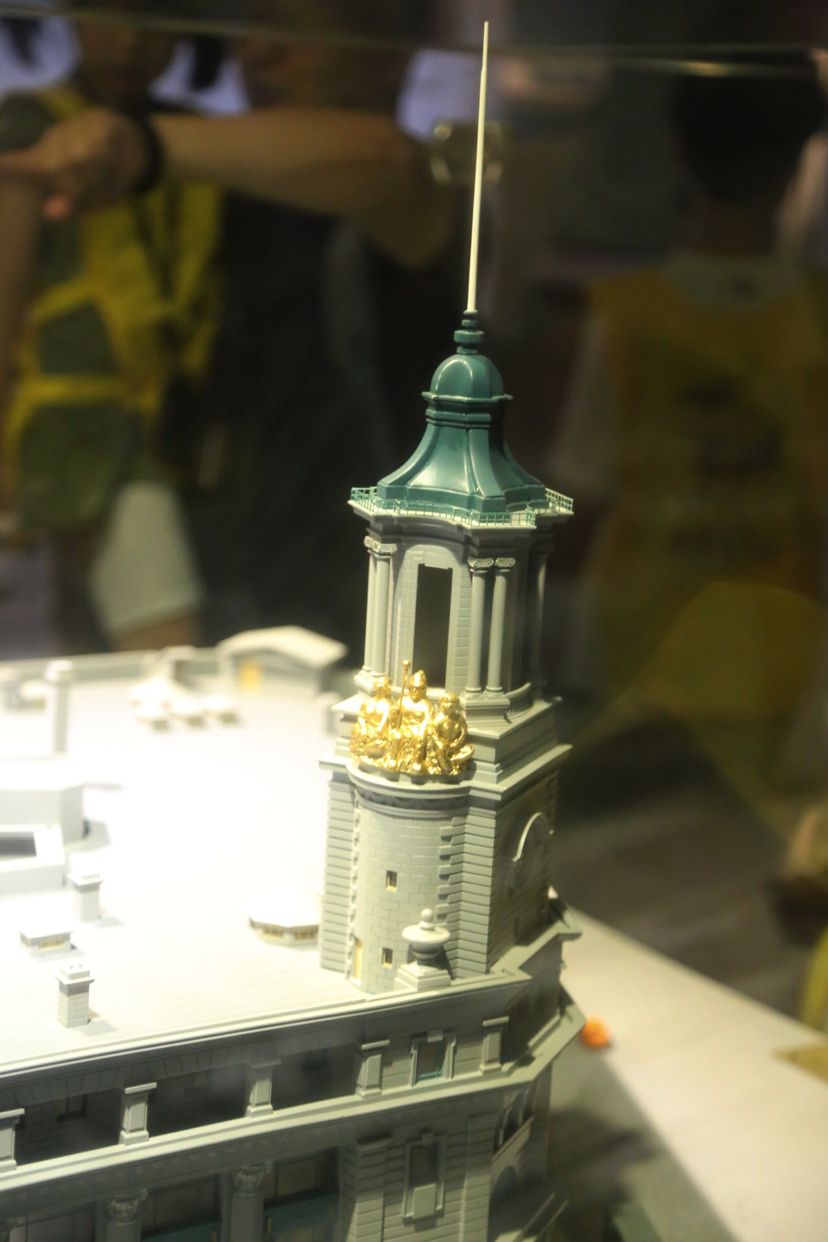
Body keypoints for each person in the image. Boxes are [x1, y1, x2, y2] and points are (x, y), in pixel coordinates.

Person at [0, 13, 460, 653]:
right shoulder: (227, 186)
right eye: (250, 25)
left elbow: (390, 163)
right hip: (221, 572)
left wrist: (144, 145)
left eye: (297, 27)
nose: (260, 51)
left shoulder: (394, 190)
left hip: (349, 602)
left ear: (390, 60)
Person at [0, 11, 221, 652]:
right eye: (108, 12)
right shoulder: (33, 124)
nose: (129, 40)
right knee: (164, 643)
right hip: (76, 430)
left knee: (90, 634)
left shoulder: (190, 133)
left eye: (154, 15)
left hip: (175, 423)